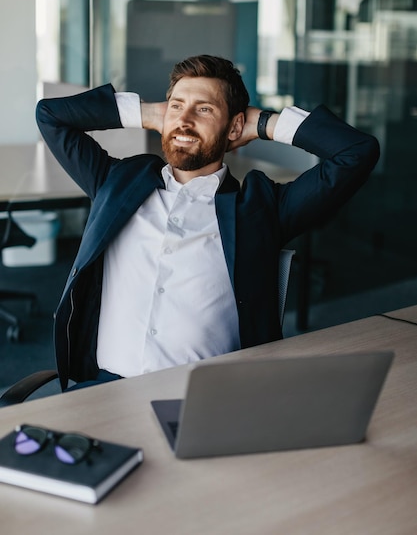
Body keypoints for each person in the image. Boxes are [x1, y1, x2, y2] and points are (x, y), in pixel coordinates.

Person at [36, 54, 379, 391]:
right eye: (177, 106)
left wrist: (263, 124)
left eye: (204, 109)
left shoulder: (261, 209)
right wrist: (152, 113)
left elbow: (356, 152)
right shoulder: (116, 182)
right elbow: (50, 115)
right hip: (103, 389)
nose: (184, 120)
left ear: (233, 127)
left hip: (203, 399)